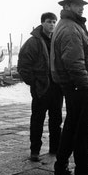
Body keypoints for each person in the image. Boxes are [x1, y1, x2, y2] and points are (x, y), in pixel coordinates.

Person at [50, 0, 88, 175]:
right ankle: (82, 169)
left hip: (70, 86)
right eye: (77, 5)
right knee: (83, 130)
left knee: (71, 127)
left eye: (82, 5)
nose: (81, 8)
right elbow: (74, 62)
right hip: (78, 86)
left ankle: (61, 165)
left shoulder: (67, 25)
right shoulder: (71, 28)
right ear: (67, 6)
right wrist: (86, 86)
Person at [18, 12, 63, 162]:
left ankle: (55, 148)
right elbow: (23, 66)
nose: (52, 25)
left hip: (56, 87)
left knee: (56, 120)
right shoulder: (33, 42)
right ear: (42, 23)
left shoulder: (57, 40)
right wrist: (34, 82)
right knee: (37, 120)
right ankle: (35, 150)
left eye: (54, 22)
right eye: (49, 22)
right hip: (41, 88)